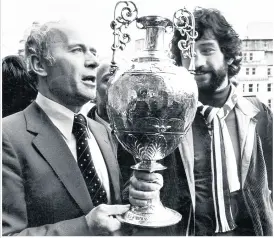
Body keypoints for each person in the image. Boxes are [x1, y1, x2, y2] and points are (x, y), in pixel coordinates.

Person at [2, 21, 162, 236]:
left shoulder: (101, 131)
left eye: (94, 53)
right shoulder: (8, 136)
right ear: (39, 64)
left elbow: (105, 205)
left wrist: (134, 196)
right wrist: (85, 228)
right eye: (77, 50)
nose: (94, 62)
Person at [130, 7, 273, 236]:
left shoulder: (259, 113)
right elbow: (134, 179)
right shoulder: (163, 115)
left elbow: (269, 186)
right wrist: (138, 190)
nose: (196, 60)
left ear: (230, 56)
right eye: (188, 52)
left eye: (207, 50)